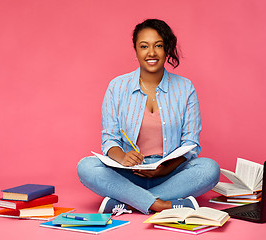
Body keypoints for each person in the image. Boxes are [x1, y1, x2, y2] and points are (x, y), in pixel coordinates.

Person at [77, 19, 220, 215]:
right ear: (135, 50)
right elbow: (109, 139)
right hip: (128, 174)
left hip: (169, 174)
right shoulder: (117, 87)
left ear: (166, 49)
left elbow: (191, 143)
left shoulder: (186, 88)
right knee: (86, 166)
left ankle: (128, 202)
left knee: (209, 168)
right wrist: (124, 157)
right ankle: (160, 205)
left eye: (158, 46)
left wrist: (164, 169)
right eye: (144, 46)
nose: (151, 53)